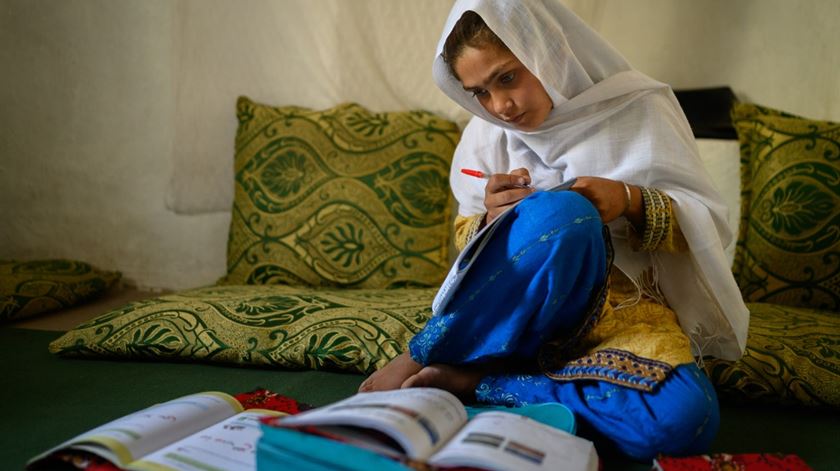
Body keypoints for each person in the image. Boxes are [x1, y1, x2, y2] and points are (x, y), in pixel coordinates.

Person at [359, 0, 749, 461]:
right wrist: (489, 220)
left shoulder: (640, 108)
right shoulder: (486, 136)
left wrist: (628, 200)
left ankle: (480, 383)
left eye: (507, 77)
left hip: (623, 319)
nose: (499, 106)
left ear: (547, 53)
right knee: (561, 214)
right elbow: (466, 248)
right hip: (520, 319)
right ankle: (426, 351)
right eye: (479, 92)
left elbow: (706, 227)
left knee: (686, 420)